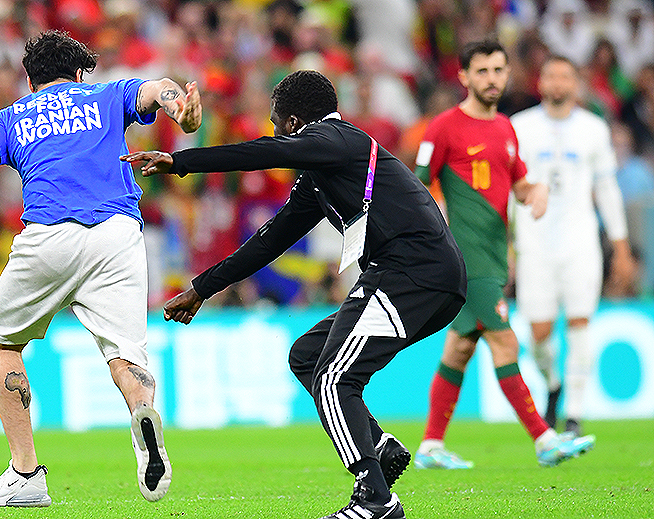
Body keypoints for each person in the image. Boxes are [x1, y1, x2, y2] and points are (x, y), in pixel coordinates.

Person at [0, 30, 202, 507]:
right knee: (127, 357)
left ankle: (26, 474)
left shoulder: (12, 117)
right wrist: (181, 108)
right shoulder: (107, 93)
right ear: (80, 72)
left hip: (50, 235)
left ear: (29, 79)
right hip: (119, 235)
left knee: (4, 343)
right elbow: (159, 87)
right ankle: (143, 413)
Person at [123, 69, 468, 519]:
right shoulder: (322, 173)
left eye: (274, 122)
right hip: (418, 277)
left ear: (290, 123)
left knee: (333, 378)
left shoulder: (338, 139)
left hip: (412, 273)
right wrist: (202, 287)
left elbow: (263, 154)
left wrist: (183, 161)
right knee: (308, 356)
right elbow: (270, 239)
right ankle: (378, 448)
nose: (272, 131)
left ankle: (375, 500)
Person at [413, 40, 595, 470]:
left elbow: (519, 185)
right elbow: (416, 186)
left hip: (494, 256)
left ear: (508, 74)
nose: (491, 79)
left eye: (498, 70)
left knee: (458, 349)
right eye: (482, 71)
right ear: (464, 77)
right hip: (466, 257)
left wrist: (538, 191)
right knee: (505, 342)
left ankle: (431, 445)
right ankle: (545, 438)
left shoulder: (506, 130)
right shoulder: (444, 127)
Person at [511, 55, 634, 436]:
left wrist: (621, 244)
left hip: (580, 241)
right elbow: (510, 191)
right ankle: (552, 383)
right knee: (539, 334)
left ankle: (575, 413)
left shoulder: (594, 129)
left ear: (576, 84)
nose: (558, 82)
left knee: (580, 322)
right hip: (535, 243)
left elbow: (606, 188)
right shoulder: (520, 127)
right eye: (551, 75)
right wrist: (511, 245)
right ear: (541, 82)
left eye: (565, 76)